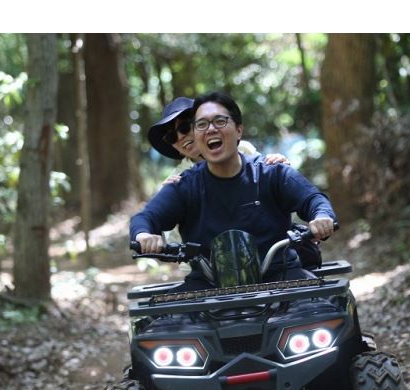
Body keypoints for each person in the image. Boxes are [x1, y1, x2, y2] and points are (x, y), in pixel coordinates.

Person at [131, 91, 336, 290]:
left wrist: (321, 216)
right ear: (197, 134)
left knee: (327, 312)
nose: (211, 129)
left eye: (219, 121)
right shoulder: (182, 185)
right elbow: (146, 218)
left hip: (280, 277)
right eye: (202, 124)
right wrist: (143, 235)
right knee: (159, 324)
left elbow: (313, 199)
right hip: (208, 285)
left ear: (239, 129)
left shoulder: (271, 171)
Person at [147, 96, 288, 186]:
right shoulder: (177, 180)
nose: (180, 137)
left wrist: (277, 166)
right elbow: (173, 232)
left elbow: (265, 178)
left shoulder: (243, 150)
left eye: (184, 128)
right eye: (172, 137)